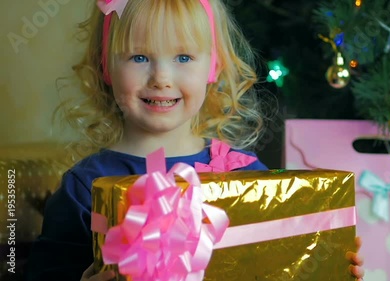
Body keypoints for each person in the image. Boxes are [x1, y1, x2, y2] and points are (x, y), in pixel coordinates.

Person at [25, 0, 364, 280]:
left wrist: (331, 265)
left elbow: (279, 263)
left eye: (183, 57)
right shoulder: (84, 187)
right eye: (139, 57)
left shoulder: (245, 175)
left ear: (212, 67)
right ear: (107, 67)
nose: (161, 78)